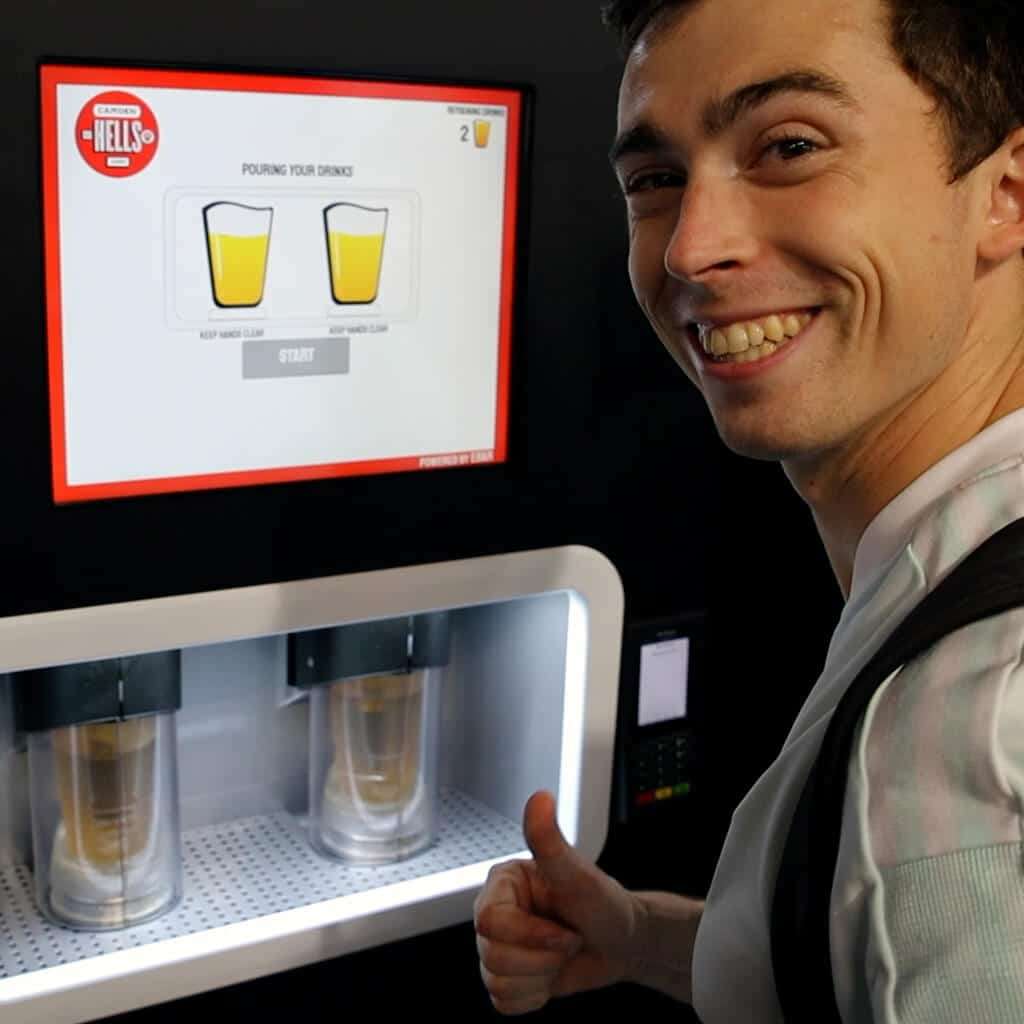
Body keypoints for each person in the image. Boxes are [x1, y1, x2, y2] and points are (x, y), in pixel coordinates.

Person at [473, 0, 1024, 1020]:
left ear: (1005, 192)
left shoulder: (963, 736)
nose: (690, 247)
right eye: (655, 179)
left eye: (788, 147)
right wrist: (652, 938)